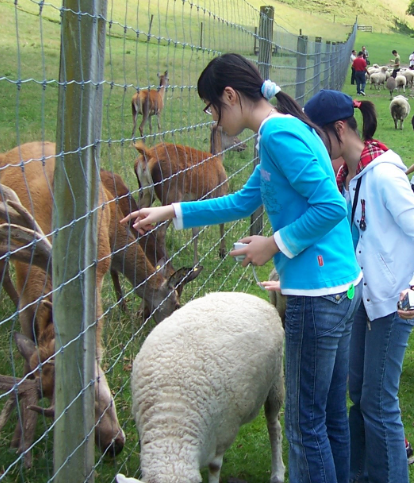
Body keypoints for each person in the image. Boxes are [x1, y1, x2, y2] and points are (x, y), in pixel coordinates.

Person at [123, 54, 362, 483]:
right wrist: (170, 212)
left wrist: (274, 244)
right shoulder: (282, 130)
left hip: (317, 294)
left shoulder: (278, 136)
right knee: (328, 417)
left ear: (230, 96)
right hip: (339, 287)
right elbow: (242, 200)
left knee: (305, 428)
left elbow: (331, 206)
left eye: (212, 108)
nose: (214, 119)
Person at [303, 91, 414, 483]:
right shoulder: (347, 179)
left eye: (316, 135)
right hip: (364, 298)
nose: (314, 145)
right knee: (359, 393)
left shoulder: (383, 176)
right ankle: (359, 472)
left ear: (339, 129)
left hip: (395, 302)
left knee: (379, 402)